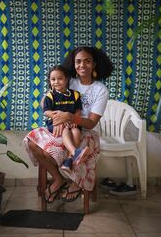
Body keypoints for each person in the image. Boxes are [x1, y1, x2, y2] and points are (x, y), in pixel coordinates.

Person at [23, 46, 113, 203]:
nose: (82, 65)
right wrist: (58, 117)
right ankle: (59, 179)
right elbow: (45, 101)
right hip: (61, 124)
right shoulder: (69, 80)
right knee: (33, 143)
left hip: (85, 131)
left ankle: (75, 181)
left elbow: (91, 123)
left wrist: (70, 117)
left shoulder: (100, 89)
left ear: (94, 64)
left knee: (52, 150)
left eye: (87, 61)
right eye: (78, 62)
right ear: (73, 64)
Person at [43, 65, 89, 173]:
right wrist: (60, 118)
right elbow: (46, 111)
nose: (56, 82)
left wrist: (74, 119)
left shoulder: (75, 94)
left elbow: (78, 110)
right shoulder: (50, 95)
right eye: (53, 79)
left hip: (72, 121)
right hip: (56, 123)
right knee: (65, 130)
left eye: (60, 78)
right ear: (49, 81)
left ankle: (68, 161)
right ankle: (74, 152)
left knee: (76, 132)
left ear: (66, 79)